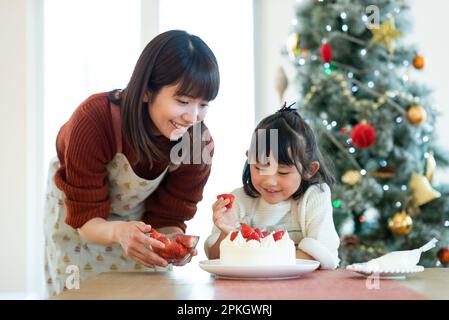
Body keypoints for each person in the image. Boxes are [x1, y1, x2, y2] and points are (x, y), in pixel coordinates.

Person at [44, 30, 220, 296]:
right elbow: (85, 219)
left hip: (141, 231)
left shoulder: (198, 143)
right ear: (147, 91)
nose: (193, 117)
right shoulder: (93, 120)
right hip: (81, 226)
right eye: (183, 101)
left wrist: (172, 242)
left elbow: (169, 218)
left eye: (204, 105)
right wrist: (119, 232)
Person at [204, 103, 340, 269]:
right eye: (260, 168)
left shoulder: (315, 196)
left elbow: (321, 253)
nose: (270, 181)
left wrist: (251, 259)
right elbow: (214, 258)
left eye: (282, 172)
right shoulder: (239, 200)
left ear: (308, 170)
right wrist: (227, 232)